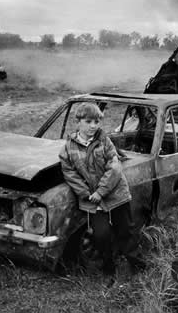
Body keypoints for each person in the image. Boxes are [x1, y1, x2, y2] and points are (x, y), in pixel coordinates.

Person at [59, 102, 144, 277]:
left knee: (126, 231)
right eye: (88, 121)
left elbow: (114, 168)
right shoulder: (69, 147)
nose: (93, 126)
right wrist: (86, 194)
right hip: (92, 200)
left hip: (116, 193)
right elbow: (70, 173)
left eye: (96, 122)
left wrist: (100, 192)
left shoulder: (105, 141)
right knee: (101, 236)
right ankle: (109, 270)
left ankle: (137, 267)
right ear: (79, 121)